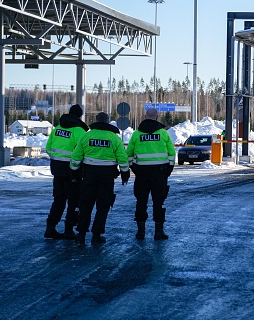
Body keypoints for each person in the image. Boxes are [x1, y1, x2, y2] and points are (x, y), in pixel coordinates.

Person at [70, 112, 130, 244]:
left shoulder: (87, 136)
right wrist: (125, 173)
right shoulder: (114, 138)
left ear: (96, 120)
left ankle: (81, 234)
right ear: (108, 122)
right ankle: (97, 234)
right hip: (107, 176)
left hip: (89, 174)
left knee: (85, 204)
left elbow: (76, 156)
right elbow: (122, 157)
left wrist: (74, 172)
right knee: (103, 206)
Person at [126, 107, 176, 240]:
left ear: (145, 116)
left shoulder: (137, 134)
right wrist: (169, 167)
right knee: (158, 202)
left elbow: (129, 153)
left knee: (141, 201)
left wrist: (133, 167)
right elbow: (171, 152)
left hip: (141, 173)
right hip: (159, 173)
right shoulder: (163, 134)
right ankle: (158, 232)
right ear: (157, 116)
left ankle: (140, 232)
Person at [44, 104, 89, 240]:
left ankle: (50, 227)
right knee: (73, 201)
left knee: (58, 200)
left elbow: (48, 148)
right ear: (80, 116)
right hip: (72, 171)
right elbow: (83, 152)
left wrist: (57, 160)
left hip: (57, 170)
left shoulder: (57, 128)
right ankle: (69, 230)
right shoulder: (79, 131)